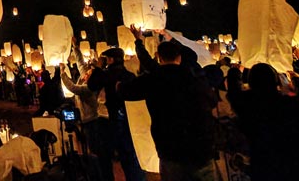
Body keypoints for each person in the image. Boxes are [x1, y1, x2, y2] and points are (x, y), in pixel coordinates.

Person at [120, 40, 217, 181]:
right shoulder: (194, 78)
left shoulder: (153, 79)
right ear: (179, 57)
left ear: (159, 57)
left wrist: (118, 85)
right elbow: (211, 101)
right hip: (201, 148)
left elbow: (126, 91)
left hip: (170, 149)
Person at [226, 63, 299, 181]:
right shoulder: (288, 105)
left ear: (250, 82)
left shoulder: (246, 107)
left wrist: (235, 71)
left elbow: (234, 92)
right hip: (295, 162)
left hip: (264, 164)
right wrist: (296, 79)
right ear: (276, 81)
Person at [88, 47, 144, 181]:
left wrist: (97, 68)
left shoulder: (105, 74)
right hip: (126, 119)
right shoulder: (129, 75)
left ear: (110, 60)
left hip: (107, 120)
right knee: (129, 157)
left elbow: (91, 85)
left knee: (105, 158)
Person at [59, 56, 112, 181]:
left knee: (96, 150)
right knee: (92, 148)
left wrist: (62, 73)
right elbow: (81, 65)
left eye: (89, 73)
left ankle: (101, 174)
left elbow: (73, 88)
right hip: (87, 120)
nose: (86, 73)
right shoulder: (85, 80)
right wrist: (76, 47)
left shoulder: (89, 88)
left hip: (92, 120)